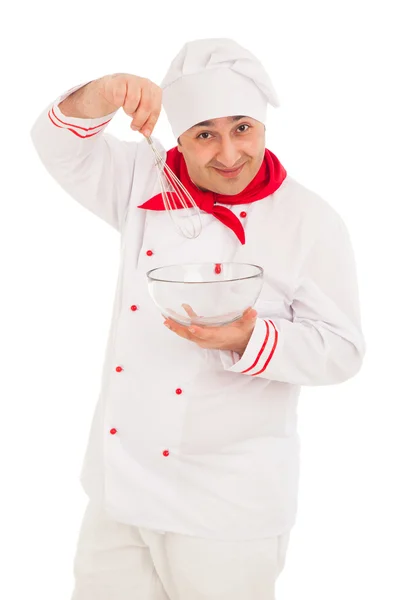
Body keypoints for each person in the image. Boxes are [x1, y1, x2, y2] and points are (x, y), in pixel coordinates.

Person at [30, 38, 365, 600]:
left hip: (227, 507)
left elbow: (343, 349)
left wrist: (250, 339)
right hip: (121, 489)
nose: (229, 153)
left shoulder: (310, 221)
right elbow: (55, 143)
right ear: (179, 139)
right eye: (205, 134)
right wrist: (105, 93)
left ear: (263, 126)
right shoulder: (144, 180)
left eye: (243, 128)